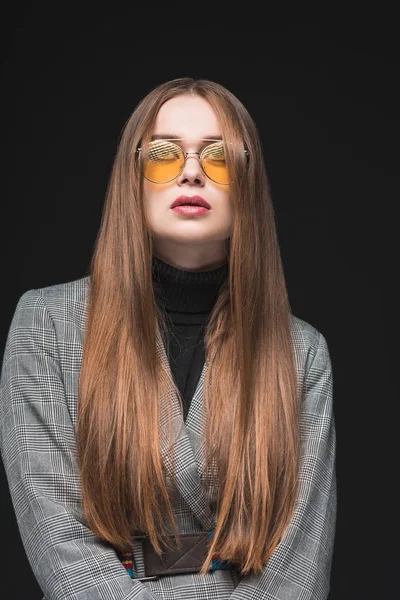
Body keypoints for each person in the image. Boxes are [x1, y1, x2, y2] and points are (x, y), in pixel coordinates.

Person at [0, 77, 336, 600]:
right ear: (132, 176)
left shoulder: (300, 354)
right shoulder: (47, 325)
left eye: (219, 156)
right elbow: (60, 543)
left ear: (247, 181)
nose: (192, 172)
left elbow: (298, 569)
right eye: (163, 153)